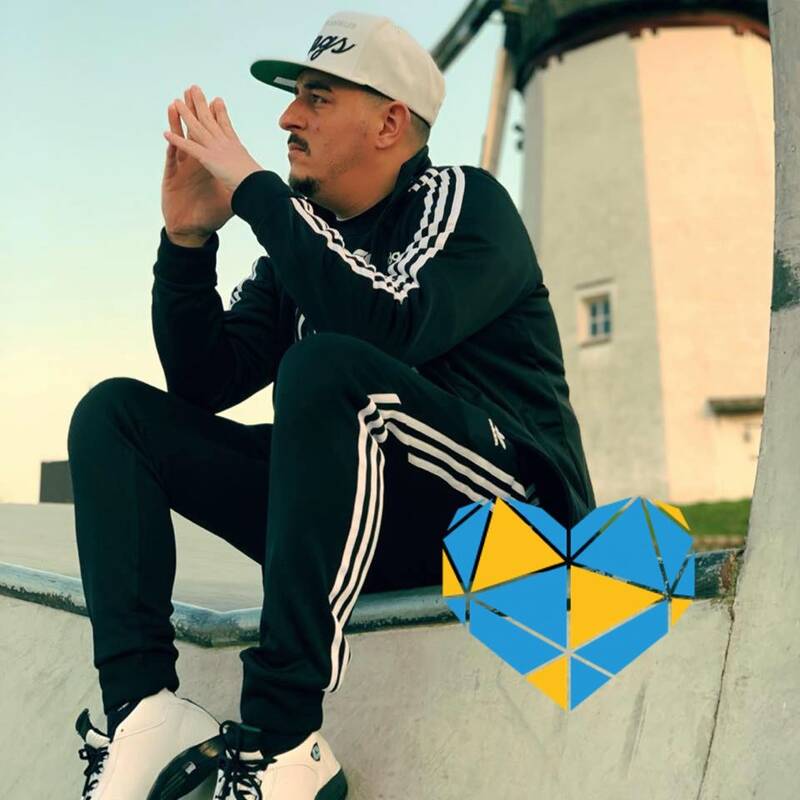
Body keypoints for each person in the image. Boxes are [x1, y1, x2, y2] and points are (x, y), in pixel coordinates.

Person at [68, 9, 595, 800]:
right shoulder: (305, 247)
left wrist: (255, 191)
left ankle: (282, 740)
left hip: (518, 532)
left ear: (389, 124)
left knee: (324, 367)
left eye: (316, 97)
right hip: (368, 531)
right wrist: (188, 245)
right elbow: (204, 385)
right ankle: (143, 712)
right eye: (294, 98)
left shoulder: (464, 202)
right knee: (116, 416)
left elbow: (388, 322)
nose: (288, 117)